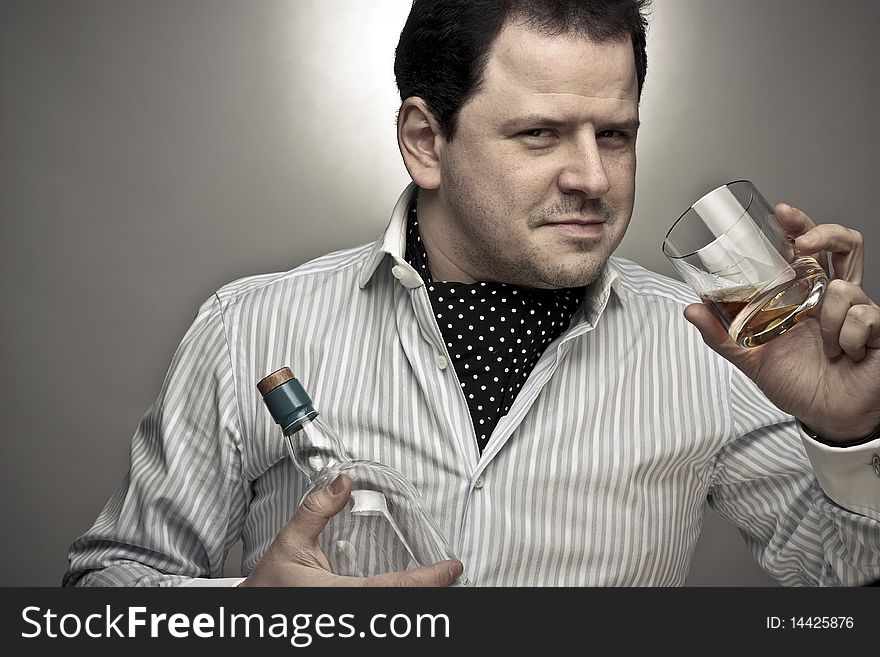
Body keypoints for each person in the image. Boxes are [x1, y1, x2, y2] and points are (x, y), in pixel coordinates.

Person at [63, 0, 880, 588]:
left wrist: (850, 434)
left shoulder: (719, 349)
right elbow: (106, 589)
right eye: (540, 133)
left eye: (616, 135)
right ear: (426, 142)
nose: (594, 177)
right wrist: (247, 618)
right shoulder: (249, 328)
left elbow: (847, 598)